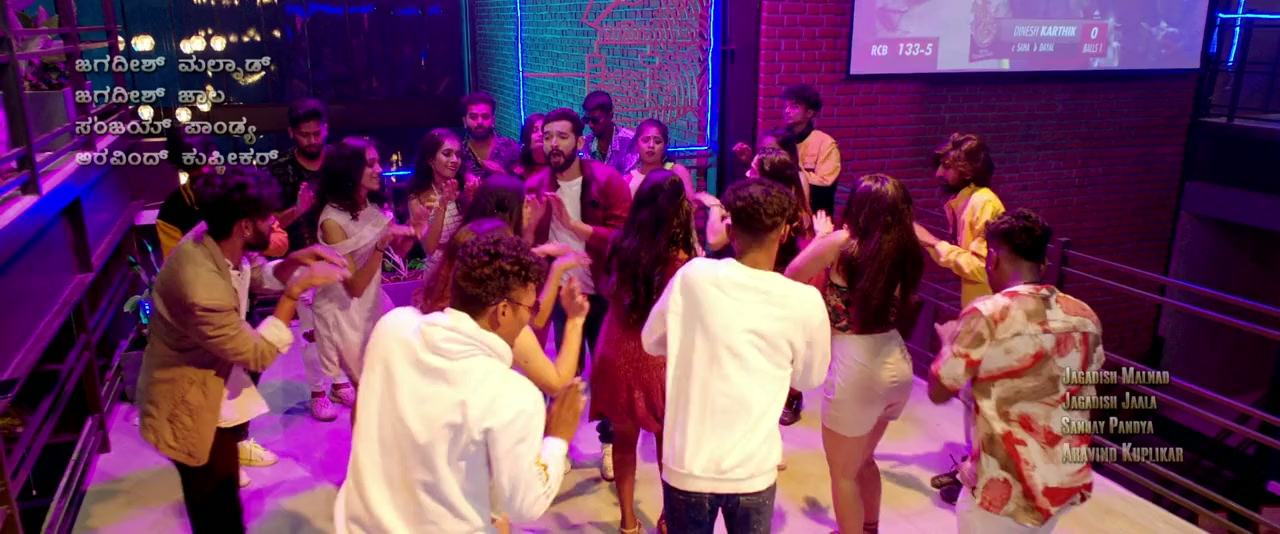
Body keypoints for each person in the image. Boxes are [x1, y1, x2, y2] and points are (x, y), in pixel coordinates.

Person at [137, 166, 349, 533]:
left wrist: (295, 261)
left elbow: (254, 275)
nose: (275, 224)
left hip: (214, 388)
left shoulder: (217, 237)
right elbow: (256, 353)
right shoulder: (200, 285)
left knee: (225, 501)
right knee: (215, 511)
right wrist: (296, 290)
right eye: (268, 218)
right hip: (188, 403)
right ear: (246, 226)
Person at [335, 233, 587, 533]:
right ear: (503, 311)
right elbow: (524, 505)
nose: (529, 319)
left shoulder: (393, 327)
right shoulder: (513, 395)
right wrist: (557, 438)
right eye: (530, 308)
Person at [642, 178, 831, 533]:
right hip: (753, 469)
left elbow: (651, 341)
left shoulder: (693, 276)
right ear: (785, 232)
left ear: (730, 231)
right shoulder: (804, 301)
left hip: (687, 464)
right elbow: (809, 378)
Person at [928, 209, 1103, 533]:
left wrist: (949, 343)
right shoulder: (1085, 316)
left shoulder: (988, 314)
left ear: (993, 258)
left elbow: (938, 391)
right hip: (1059, 482)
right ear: (1044, 264)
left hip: (1005, 486)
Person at [784, 174, 925, 534]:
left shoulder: (843, 243)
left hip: (856, 366)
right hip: (896, 361)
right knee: (863, 461)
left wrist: (821, 237)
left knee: (843, 474)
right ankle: (869, 528)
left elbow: (792, 274)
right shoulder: (906, 251)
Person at [526, 107, 632, 481]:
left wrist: (574, 225)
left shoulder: (607, 180)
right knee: (564, 370)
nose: (553, 144)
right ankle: (561, 442)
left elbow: (623, 237)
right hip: (560, 291)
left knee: (606, 371)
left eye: (562, 136)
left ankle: (609, 443)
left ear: (580, 141)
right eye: (547, 137)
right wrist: (533, 226)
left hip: (602, 290)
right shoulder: (536, 185)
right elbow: (526, 243)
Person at [592, 169, 699, 534]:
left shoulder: (619, 245)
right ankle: (668, 518)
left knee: (623, 442)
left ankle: (628, 521)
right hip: (658, 357)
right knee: (668, 445)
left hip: (615, 350)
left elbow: (606, 289)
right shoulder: (683, 258)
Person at [912, 133, 1006, 502]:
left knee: (978, 396)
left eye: (947, 166)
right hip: (979, 309)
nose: (939, 173)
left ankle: (978, 475)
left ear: (968, 170)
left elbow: (981, 266)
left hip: (989, 313)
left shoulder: (984, 204)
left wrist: (932, 243)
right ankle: (972, 466)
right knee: (972, 396)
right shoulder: (970, 201)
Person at [708, 149, 819, 430]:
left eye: (754, 170)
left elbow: (715, 240)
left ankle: (784, 399)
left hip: (771, 283)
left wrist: (714, 207)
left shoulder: (777, 212)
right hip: (773, 282)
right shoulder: (791, 207)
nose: (747, 173)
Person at [313, 138, 416, 391]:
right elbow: (355, 287)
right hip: (344, 312)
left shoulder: (371, 206)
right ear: (349, 169)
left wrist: (416, 228)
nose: (379, 169)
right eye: (370, 164)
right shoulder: (332, 221)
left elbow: (399, 251)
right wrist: (380, 246)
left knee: (383, 385)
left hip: (372, 304)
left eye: (378, 162)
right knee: (368, 388)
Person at [408, 128, 482, 278]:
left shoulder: (468, 182)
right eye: (447, 154)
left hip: (468, 264)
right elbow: (429, 248)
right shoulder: (417, 197)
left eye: (458, 155)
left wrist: (473, 201)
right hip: (436, 271)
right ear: (431, 160)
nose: (455, 160)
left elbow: (481, 231)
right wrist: (442, 204)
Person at [459, 91, 521, 180]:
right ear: (465, 121)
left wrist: (502, 175)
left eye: (485, 117)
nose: (479, 122)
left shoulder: (510, 147)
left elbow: (521, 183)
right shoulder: (458, 151)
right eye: (473, 117)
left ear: (493, 120)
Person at [624, 119, 694, 197]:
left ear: (664, 147)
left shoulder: (676, 171)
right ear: (636, 145)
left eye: (657, 141)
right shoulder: (628, 180)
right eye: (645, 140)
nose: (651, 145)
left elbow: (691, 202)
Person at [582, 91, 637, 174]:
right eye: (587, 120)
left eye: (595, 120)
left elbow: (633, 177)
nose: (590, 125)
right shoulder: (585, 143)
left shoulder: (630, 142)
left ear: (610, 115)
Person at [512, 113, 548, 179]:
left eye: (544, 130)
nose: (540, 134)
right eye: (535, 130)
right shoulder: (518, 171)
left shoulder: (558, 169)